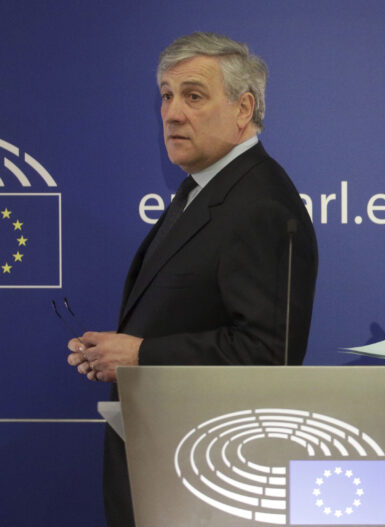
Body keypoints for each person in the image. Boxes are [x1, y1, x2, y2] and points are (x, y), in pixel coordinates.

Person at [66, 32, 318, 526]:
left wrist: (140, 355)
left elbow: (270, 352)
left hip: (208, 481)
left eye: (193, 96)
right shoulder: (203, 188)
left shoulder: (260, 204)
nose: (172, 112)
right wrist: (115, 354)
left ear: (243, 109)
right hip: (168, 463)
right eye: (166, 95)